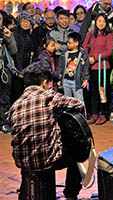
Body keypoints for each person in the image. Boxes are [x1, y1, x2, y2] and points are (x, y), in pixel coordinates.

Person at [8, 63, 84, 200]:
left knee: (27, 148)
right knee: (77, 154)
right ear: (44, 83)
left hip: (24, 163)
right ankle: (71, 195)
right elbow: (79, 105)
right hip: (48, 161)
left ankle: (26, 190)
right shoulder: (49, 96)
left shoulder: (15, 105)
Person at [82, 13, 113, 125]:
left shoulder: (109, 35)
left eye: (103, 21)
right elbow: (84, 47)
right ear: (95, 22)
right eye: (99, 21)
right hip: (92, 67)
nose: (101, 23)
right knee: (93, 92)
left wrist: (95, 58)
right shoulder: (90, 34)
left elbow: (109, 51)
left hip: (103, 67)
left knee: (103, 90)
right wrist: (88, 58)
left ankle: (103, 113)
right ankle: (94, 113)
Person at [57, 32, 90, 104]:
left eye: (70, 43)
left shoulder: (82, 54)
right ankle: (69, 115)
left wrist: (85, 79)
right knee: (67, 101)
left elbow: (85, 67)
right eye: (67, 42)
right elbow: (60, 65)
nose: (68, 44)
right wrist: (59, 78)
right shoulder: (64, 53)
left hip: (77, 82)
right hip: (66, 80)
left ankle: (81, 115)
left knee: (79, 101)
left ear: (76, 43)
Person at [0, 10, 17, 134]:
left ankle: (3, 123)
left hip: (4, 70)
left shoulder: (6, 33)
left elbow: (14, 51)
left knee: (4, 98)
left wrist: (9, 37)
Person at [11, 12, 34, 104]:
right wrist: (18, 70)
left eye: (28, 21)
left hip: (26, 67)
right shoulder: (15, 33)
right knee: (16, 93)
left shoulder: (29, 34)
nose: (26, 23)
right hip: (16, 67)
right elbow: (16, 53)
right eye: (23, 21)